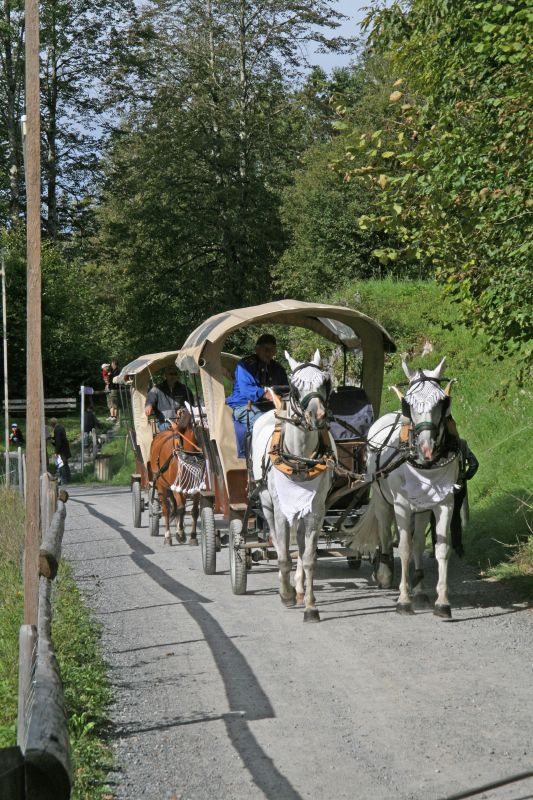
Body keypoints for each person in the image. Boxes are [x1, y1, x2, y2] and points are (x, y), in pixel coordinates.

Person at [226, 333, 288, 428]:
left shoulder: (278, 369)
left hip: (271, 406)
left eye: (272, 349)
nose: (268, 352)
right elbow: (246, 389)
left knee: (293, 422)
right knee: (264, 424)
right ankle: (251, 442)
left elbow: (286, 390)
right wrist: (266, 394)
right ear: (257, 350)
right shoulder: (245, 365)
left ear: (275, 351)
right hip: (244, 405)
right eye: (265, 348)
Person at [430, 438, 479, 557]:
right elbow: (474, 464)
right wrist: (465, 477)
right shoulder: (461, 443)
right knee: (455, 516)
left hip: (437, 488)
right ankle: (458, 547)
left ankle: (436, 547)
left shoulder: (431, 444)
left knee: (435, 517)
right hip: (458, 486)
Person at [145, 366, 194, 431]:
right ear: (165, 375)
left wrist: (184, 412)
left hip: (182, 422)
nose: (173, 376)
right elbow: (150, 398)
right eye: (171, 374)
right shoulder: (157, 389)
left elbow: (191, 405)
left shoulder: (184, 389)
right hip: (165, 422)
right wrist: (149, 405)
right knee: (169, 431)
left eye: (175, 374)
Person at [49, 417, 71, 485]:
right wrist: (52, 439)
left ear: (52, 424)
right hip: (65, 449)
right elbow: (57, 439)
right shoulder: (61, 427)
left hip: (61, 450)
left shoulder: (57, 430)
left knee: (61, 465)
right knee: (65, 464)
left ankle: (64, 480)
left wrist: (56, 452)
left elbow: (58, 442)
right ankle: (68, 478)